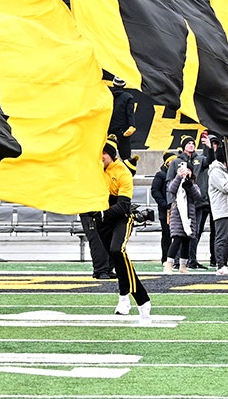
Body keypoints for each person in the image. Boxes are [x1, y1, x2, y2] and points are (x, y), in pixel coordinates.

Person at [96, 136, 150, 323]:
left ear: (111, 154)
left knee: (117, 250)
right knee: (118, 260)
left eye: (104, 153)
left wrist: (103, 214)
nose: (100, 156)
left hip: (120, 218)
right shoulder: (95, 169)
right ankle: (124, 297)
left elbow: (123, 206)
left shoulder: (122, 172)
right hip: (101, 218)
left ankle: (142, 301)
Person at [164, 161, 203, 273]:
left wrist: (189, 185)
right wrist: (178, 177)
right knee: (177, 239)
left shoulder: (193, 184)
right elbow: (171, 189)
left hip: (189, 215)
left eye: (189, 170)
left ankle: (183, 266)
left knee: (187, 240)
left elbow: (198, 196)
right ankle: (169, 264)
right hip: (177, 214)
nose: (187, 172)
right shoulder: (176, 181)